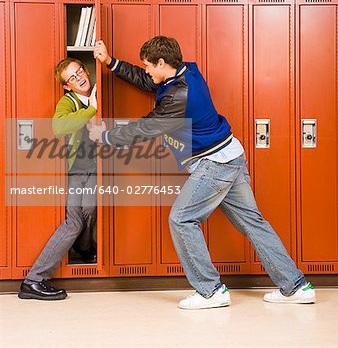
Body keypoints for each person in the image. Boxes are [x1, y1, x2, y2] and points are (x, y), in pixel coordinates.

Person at [90, 36, 316, 309]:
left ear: (162, 63)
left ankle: (210, 291)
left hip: (215, 164)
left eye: (149, 65)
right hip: (231, 154)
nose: (146, 69)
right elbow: (149, 81)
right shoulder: (186, 71)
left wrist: (105, 137)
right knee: (253, 223)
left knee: (181, 219)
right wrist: (110, 63)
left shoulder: (180, 96)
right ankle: (296, 286)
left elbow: (146, 128)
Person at [18, 59, 98, 301]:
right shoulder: (69, 101)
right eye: (72, 78)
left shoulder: (99, 90)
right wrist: (91, 109)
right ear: (67, 86)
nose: (79, 78)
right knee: (74, 222)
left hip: (97, 169)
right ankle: (34, 280)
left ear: (86, 70)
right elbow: (59, 126)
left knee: (90, 208)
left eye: (80, 71)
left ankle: (83, 247)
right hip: (75, 170)